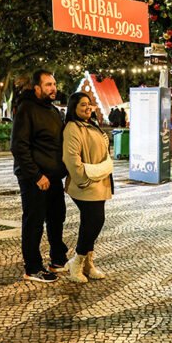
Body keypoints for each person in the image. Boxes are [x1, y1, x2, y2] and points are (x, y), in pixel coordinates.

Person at [11, 70, 69, 283]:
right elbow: (19, 146)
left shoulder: (53, 110)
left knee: (56, 217)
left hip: (53, 177)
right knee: (34, 221)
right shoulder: (26, 109)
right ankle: (32, 267)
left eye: (54, 84)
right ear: (36, 88)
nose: (53, 88)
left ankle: (58, 259)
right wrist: (36, 176)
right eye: (48, 85)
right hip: (34, 178)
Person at [62, 92, 113, 283]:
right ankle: (77, 262)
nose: (87, 107)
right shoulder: (72, 128)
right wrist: (83, 180)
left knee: (90, 222)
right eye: (82, 105)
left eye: (89, 104)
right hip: (85, 182)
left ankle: (88, 263)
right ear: (73, 108)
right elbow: (71, 158)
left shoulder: (92, 124)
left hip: (98, 180)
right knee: (95, 220)